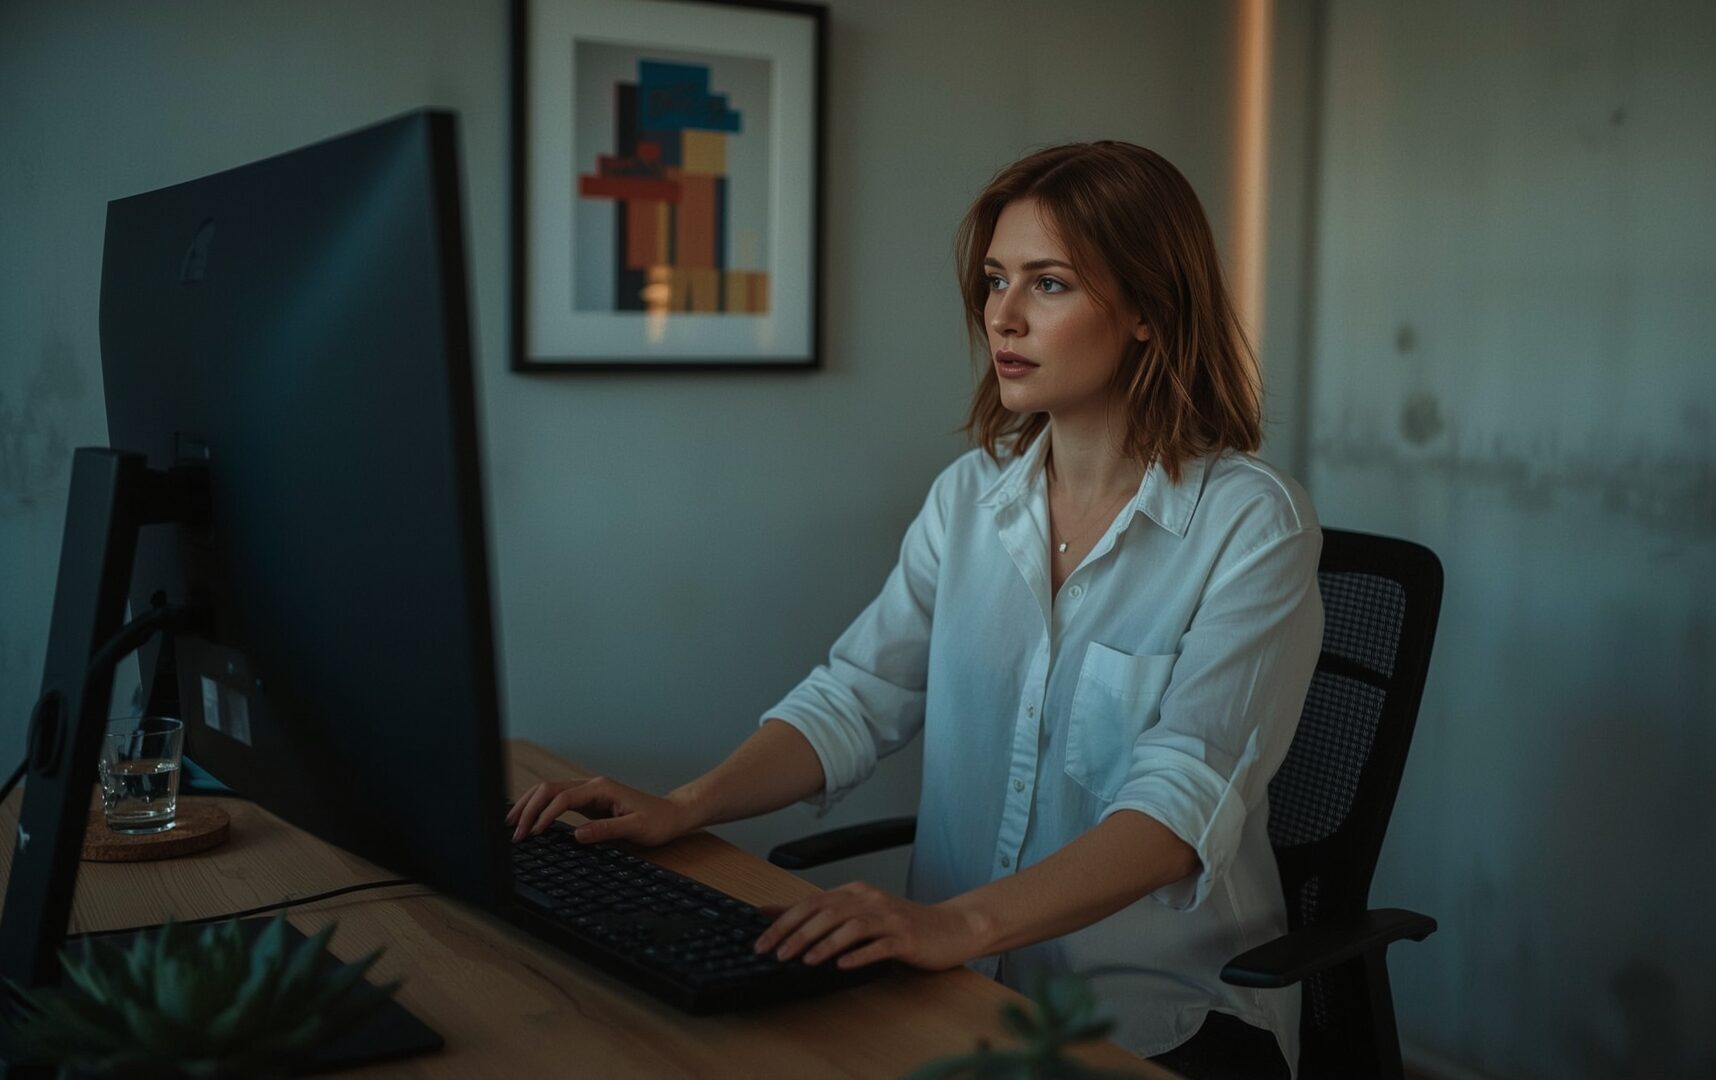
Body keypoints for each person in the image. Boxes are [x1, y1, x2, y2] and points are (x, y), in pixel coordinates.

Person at [506, 141, 1323, 1079]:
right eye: (994, 281)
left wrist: (952, 924)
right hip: (949, 983)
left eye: (1049, 284)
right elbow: (856, 697)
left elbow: (1180, 812)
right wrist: (687, 805)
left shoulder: (1254, 523)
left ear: (1149, 308)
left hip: (1153, 1015)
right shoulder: (970, 498)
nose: (1002, 317)